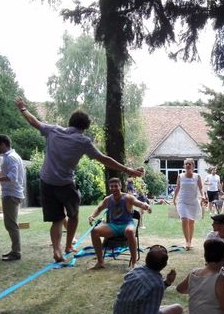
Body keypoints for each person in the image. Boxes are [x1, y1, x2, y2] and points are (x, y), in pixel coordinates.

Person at [14, 97, 143, 263]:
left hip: (46, 181)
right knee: (73, 215)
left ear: (70, 122)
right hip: (66, 184)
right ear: (85, 127)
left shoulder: (53, 130)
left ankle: (57, 250)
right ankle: (68, 245)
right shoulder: (83, 141)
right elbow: (103, 158)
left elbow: (34, 122)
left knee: (57, 219)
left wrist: (23, 108)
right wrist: (128, 170)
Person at [113, 245, 183, 314]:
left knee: (157, 307)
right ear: (164, 265)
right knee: (178, 308)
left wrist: (167, 283)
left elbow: (142, 294)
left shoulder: (136, 270)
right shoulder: (156, 284)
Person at [88, 177, 152, 269]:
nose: (114, 188)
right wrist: (92, 216)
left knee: (130, 231)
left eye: (116, 186)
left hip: (127, 224)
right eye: (111, 186)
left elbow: (139, 203)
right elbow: (99, 209)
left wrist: (147, 206)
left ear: (120, 186)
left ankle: (134, 263)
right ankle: (100, 261)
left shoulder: (128, 198)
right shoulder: (108, 199)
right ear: (109, 188)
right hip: (113, 226)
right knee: (94, 231)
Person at [0, 135, 25, 261]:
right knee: (11, 224)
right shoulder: (11, 157)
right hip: (12, 194)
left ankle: (16, 252)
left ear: (3, 144)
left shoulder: (11, 158)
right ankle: (14, 250)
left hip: (12, 194)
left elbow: (12, 177)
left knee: (11, 225)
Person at [173, 158, 204, 250]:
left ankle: (190, 241)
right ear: (184, 166)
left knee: (191, 222)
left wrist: (203, 196)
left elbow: (201, 188)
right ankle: (187, 241)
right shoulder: (180, 176)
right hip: (182, 201)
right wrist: (174, 199)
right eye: (186, 164)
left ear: (193, 166)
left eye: (189, 164)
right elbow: (177, 188)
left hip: (193, 202)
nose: (187, 165)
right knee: (184, 219)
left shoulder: (197, 176)